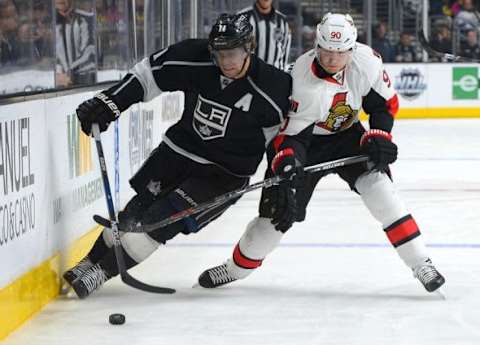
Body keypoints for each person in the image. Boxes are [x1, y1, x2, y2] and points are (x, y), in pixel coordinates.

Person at [197, 13, 446, 294]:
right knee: (274, 220)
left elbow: (384, 105)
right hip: (305, 145)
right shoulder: (299, 79)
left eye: (339, 53)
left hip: (348, 138)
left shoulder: (368, 62)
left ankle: (421, 263)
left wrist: (379, 135)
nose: (331, 60)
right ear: (317, 46)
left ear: (352, 49)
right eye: (326, 51)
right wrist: (288, 164)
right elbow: (291, 135)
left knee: (382, 193)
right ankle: (234, 269)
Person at [63, 13, 292, 299]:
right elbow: (148, 75)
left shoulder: (274, 87)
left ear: (250, 47)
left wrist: (282, 178)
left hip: (223, 174)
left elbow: (286, 137)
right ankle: (87, 263)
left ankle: (101, 272)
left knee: (162, 221)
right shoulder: (194, 56)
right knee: (135, 211)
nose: (226, 61)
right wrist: (111, 101)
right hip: (179, 152)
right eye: (219, 54)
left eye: (233, 53)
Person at [238, 0, 291, 70]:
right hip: (248, 77)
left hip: (274, 77)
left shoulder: (283, 21)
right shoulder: (241, 19)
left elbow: (284, 55)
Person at [55, 0, 96, 87]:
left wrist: (69, 74)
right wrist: (58, 74)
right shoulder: (52, 22)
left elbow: (88, 52)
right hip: (61, 82)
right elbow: (55, 56)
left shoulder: (85, 19)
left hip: (84, 80)